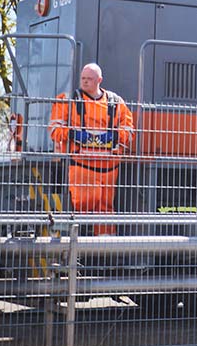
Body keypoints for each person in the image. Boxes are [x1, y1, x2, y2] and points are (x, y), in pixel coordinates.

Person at [49, 63, 135, 233]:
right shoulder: (67, 100)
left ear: (99, 80)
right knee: (80, 209)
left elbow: (129, 130)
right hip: (81, 166)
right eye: (83, 78)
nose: (85, 82)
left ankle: (103, 250)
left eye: (89, 79)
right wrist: (74, 135)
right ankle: (76, 247)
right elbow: (54, 129)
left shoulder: (116, 102)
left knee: (105, 212)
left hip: (109, 169)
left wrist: (115, 137)